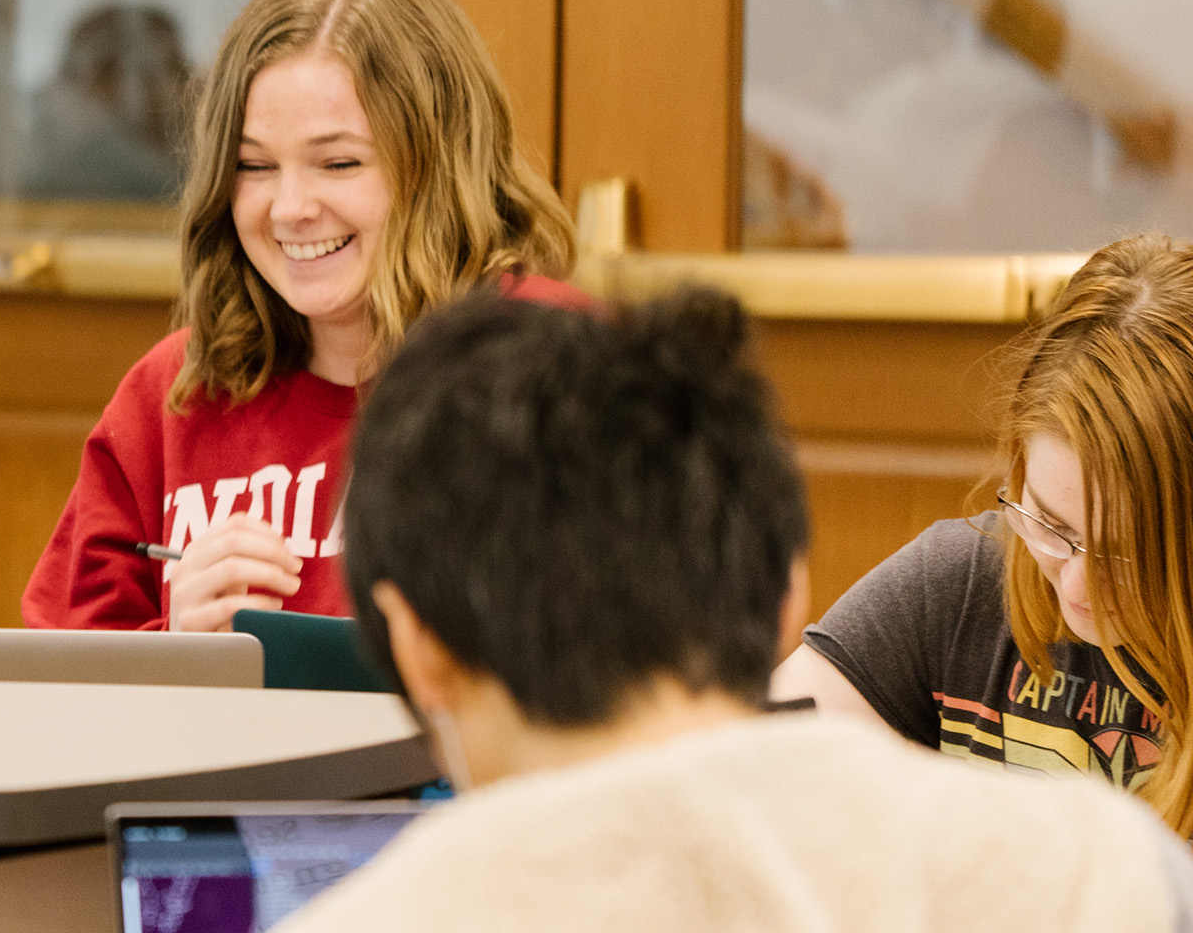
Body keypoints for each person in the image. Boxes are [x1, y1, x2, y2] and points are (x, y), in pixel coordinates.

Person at [268, 287, 1190, 931]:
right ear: (791, 592)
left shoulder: (368, 917)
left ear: (417, 650)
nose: (1078, 587)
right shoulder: (1105, 872)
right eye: (1053, 529)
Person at [22, 0, 586, 633]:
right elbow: (64, 687)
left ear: (440, 163)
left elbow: (681, 658)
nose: (290, 208)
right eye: (254, 166)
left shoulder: (565, 367)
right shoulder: (172, 394)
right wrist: (174, 648)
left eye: (338, 163)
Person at [776, 233, 1193, 836]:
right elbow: (753, 768)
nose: (1078, 585)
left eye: (1131, 557)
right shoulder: (964, 581)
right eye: (1051, 525)